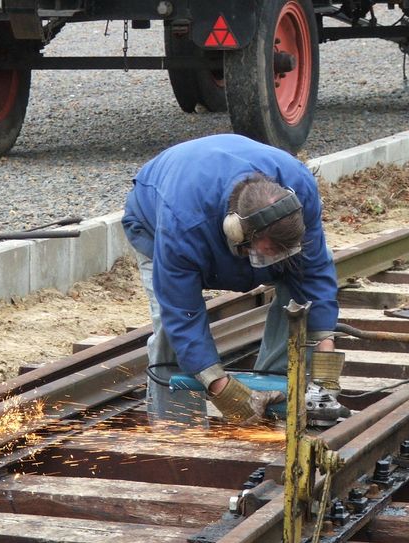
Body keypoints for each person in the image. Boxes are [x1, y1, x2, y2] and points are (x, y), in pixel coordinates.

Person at [122, 134, 341, 427]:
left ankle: (275, 394)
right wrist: (220, 388)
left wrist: (325, 357)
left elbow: (314, 274)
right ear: (237, 234)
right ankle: (176, 428)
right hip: (157, 220)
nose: (277, 258)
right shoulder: (182, 225)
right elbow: (182, 314)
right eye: (270, 253)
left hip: (224, 213)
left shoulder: (300, 188)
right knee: (170, 330)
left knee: (299, 294)